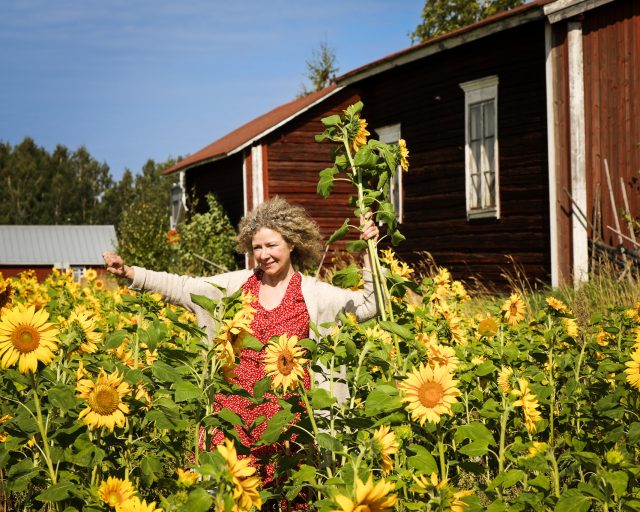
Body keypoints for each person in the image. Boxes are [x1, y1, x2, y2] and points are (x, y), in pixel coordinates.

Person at [102, 196, 380, 505]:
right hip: (232, 414)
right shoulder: (237, 285)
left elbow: (370, 305)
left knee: (287, 497)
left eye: (272, 246)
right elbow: (182, 287)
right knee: (227, 497)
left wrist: (370, 252)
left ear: (292, 244)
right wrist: (129, 272)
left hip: (288, 420)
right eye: (257, 247)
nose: (263, 255)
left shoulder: (313, 293)